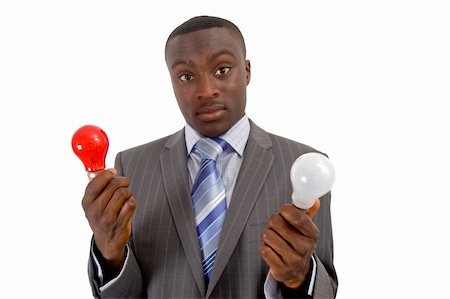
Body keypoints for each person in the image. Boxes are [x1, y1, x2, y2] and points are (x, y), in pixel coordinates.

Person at [82, 15, 338, 298]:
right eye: (186, 77)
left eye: (222, 69)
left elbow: (325, 288)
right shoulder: (132, 166)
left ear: (247, 71)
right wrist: (110, 254)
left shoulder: (304, 165)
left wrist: (299, 277)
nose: (206, 91)